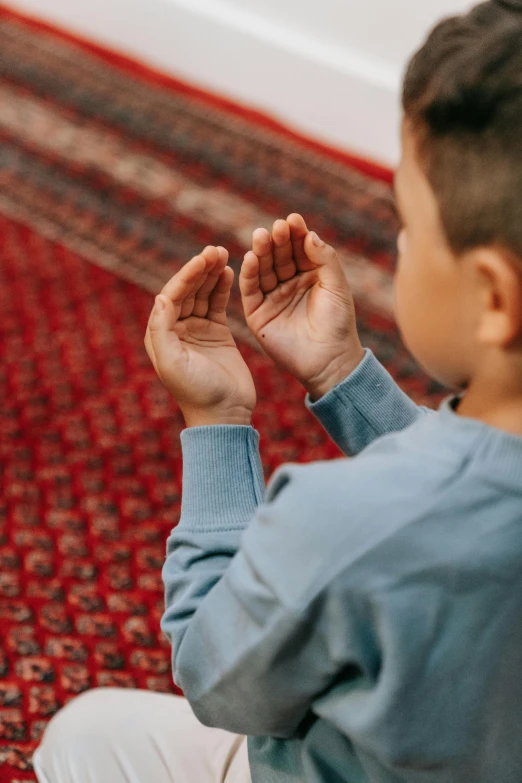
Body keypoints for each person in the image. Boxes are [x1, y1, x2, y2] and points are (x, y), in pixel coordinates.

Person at [33, 0, 522, 781]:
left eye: (409, 222)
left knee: (79, 734)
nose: (398, 241)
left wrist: (218, 419)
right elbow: (475, 491)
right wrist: (342, 375)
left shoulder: (341, 524)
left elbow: (218, 675)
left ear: (494, 298)